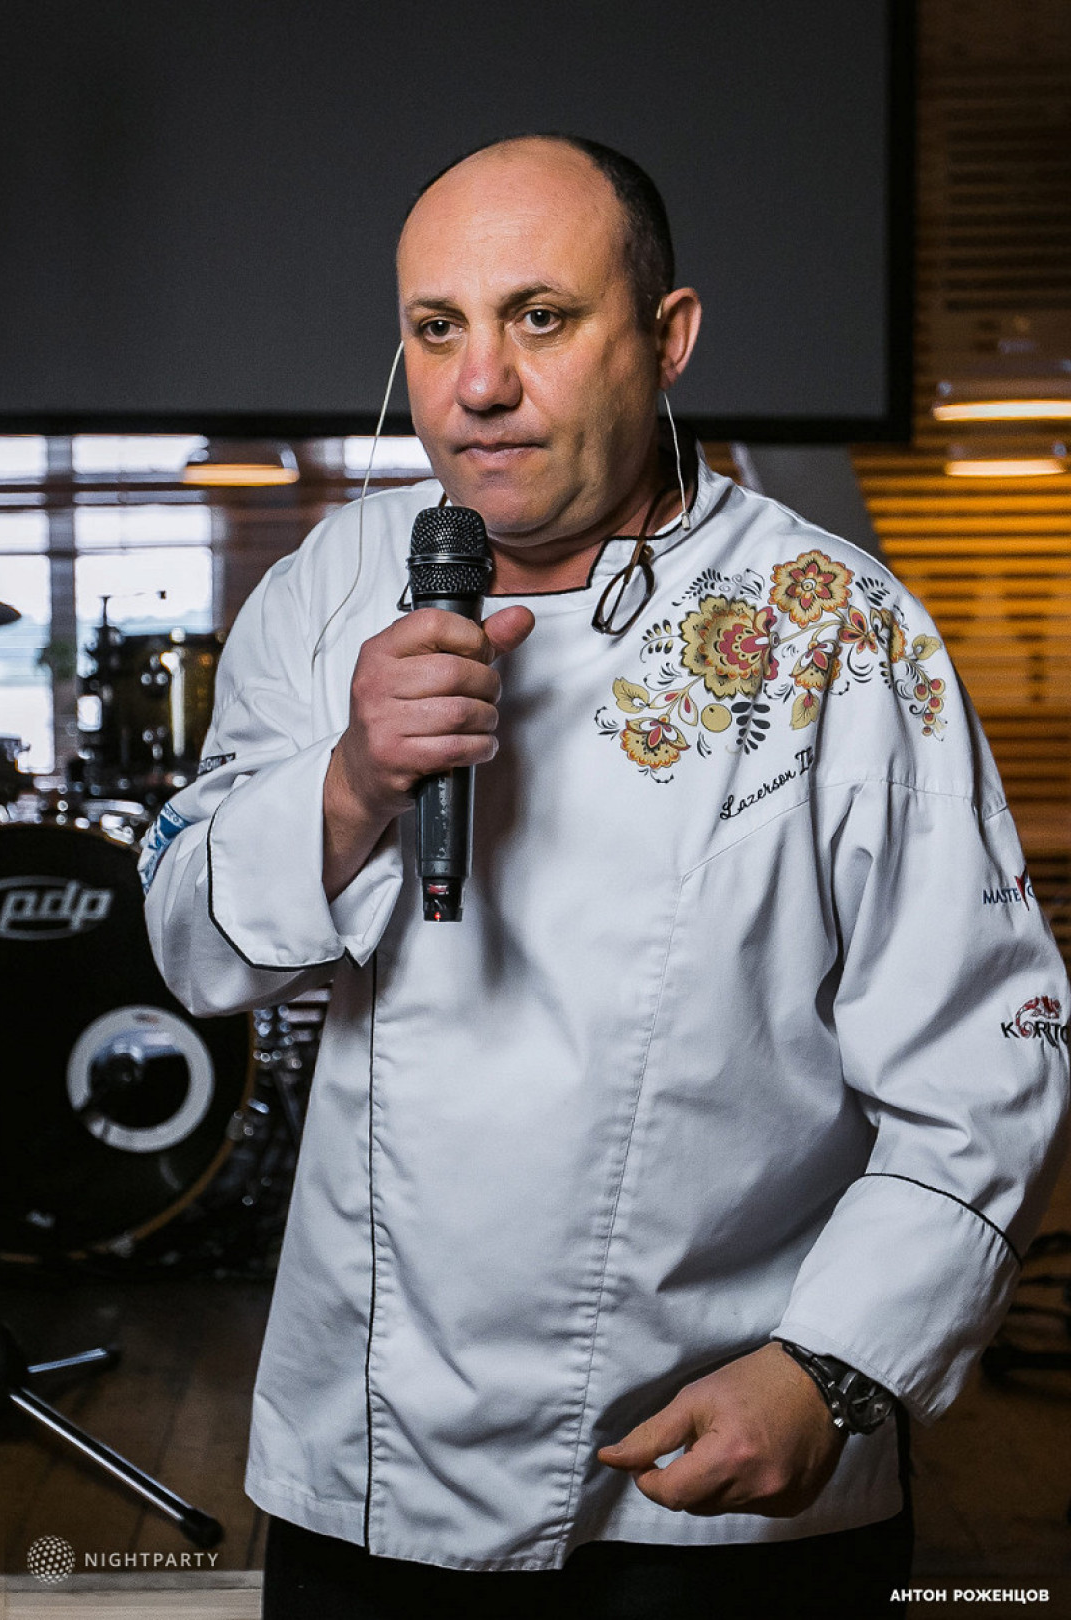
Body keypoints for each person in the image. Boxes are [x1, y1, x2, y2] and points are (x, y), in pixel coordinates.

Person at [142, 135, 1069, 1619]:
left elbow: (990, 1054)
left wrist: (833, 1368)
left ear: (668, 337)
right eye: (436, 327)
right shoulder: (327, 588)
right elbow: (196, 949)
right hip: (373, 1464)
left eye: (542, 317)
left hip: (712, 1465)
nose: (478, 384)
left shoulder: (834, 628)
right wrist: (352, 781)